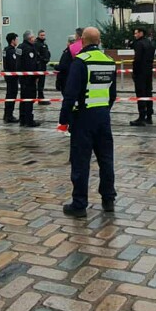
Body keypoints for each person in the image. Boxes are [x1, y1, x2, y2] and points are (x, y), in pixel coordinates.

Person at [57, 26, 117, 218]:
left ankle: (79, 204)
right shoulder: (109, 61)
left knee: (81, 161)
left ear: (82, 40)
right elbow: (112, 94)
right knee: (106, 160)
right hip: (103, 117)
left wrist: (63, 120)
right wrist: (104, 110)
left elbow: (70, 94)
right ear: (98, 41)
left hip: (83, 117)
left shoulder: (81, 61)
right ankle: (108, 200)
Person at [129, 25, 155, 126]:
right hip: (148, 71)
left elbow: (137, 59)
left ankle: (141, 117)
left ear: (141, 33)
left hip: (140, 72)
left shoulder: (139, 44)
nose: (134, 35)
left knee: (140, 94)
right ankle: (149, 116)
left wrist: (134, 72)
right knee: (148, 93)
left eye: (136, 33)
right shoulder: (150, 43)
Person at [17, 30, 42, 127]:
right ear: (30, 38)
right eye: (33, 37)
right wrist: (36, 76)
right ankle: (29, 120)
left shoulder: (19, 47)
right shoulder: (29, 49)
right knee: (29, 99)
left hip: (22, 77)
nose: (35, 39)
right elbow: (31, 64)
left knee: (23, 99)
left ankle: (22, 119)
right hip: (29, 78)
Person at [55, 27, 84, 95]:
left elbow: (63, 65)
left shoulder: (72, 48)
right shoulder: (88, 47)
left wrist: (56, 67)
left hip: (70, 78)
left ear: (77, 36)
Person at [2, 32, 21, 123]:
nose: (17, 41)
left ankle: (7, 114)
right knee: (12, 95)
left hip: (8, 75)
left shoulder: (6, 50)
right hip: (12, 76)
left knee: (9, 95)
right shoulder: (11, 51)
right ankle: (9, 115)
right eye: (16, 39)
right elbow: (14, 64)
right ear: (12, 40)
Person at [35, 30, 51, 107]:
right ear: (38, 35)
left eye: (44, 35)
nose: (43, 37)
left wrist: (47, 59)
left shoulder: (44, 44)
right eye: (41, 35)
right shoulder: (37, 44)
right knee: (39, 83)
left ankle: (41, 96)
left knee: (42, 83)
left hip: (43, 66)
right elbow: (36, 55)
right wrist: (43, 59)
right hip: (39, 66)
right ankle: (40, 97)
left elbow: (47, 53)